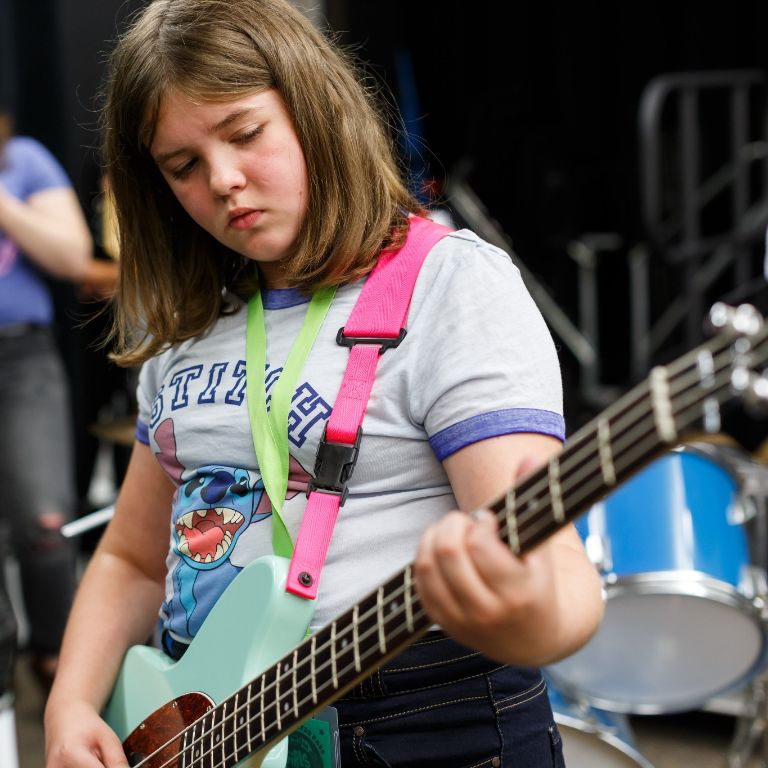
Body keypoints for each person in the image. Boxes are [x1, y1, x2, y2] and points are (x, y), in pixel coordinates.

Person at [43, 1, 604, 765]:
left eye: (245, 134)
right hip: (200, 726)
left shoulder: (450, 287)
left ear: (313, 108)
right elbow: (131, 560)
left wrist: (528, 615)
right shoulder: (190, 328)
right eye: (183, 167)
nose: (225, 181)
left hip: (418, 719)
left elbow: (556, 578)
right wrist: (70, 703)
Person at [0, 108, 93, 690]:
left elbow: (74, 259)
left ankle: (58, 671)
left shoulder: (23, 161)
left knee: (44, 522)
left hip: (19, 362)